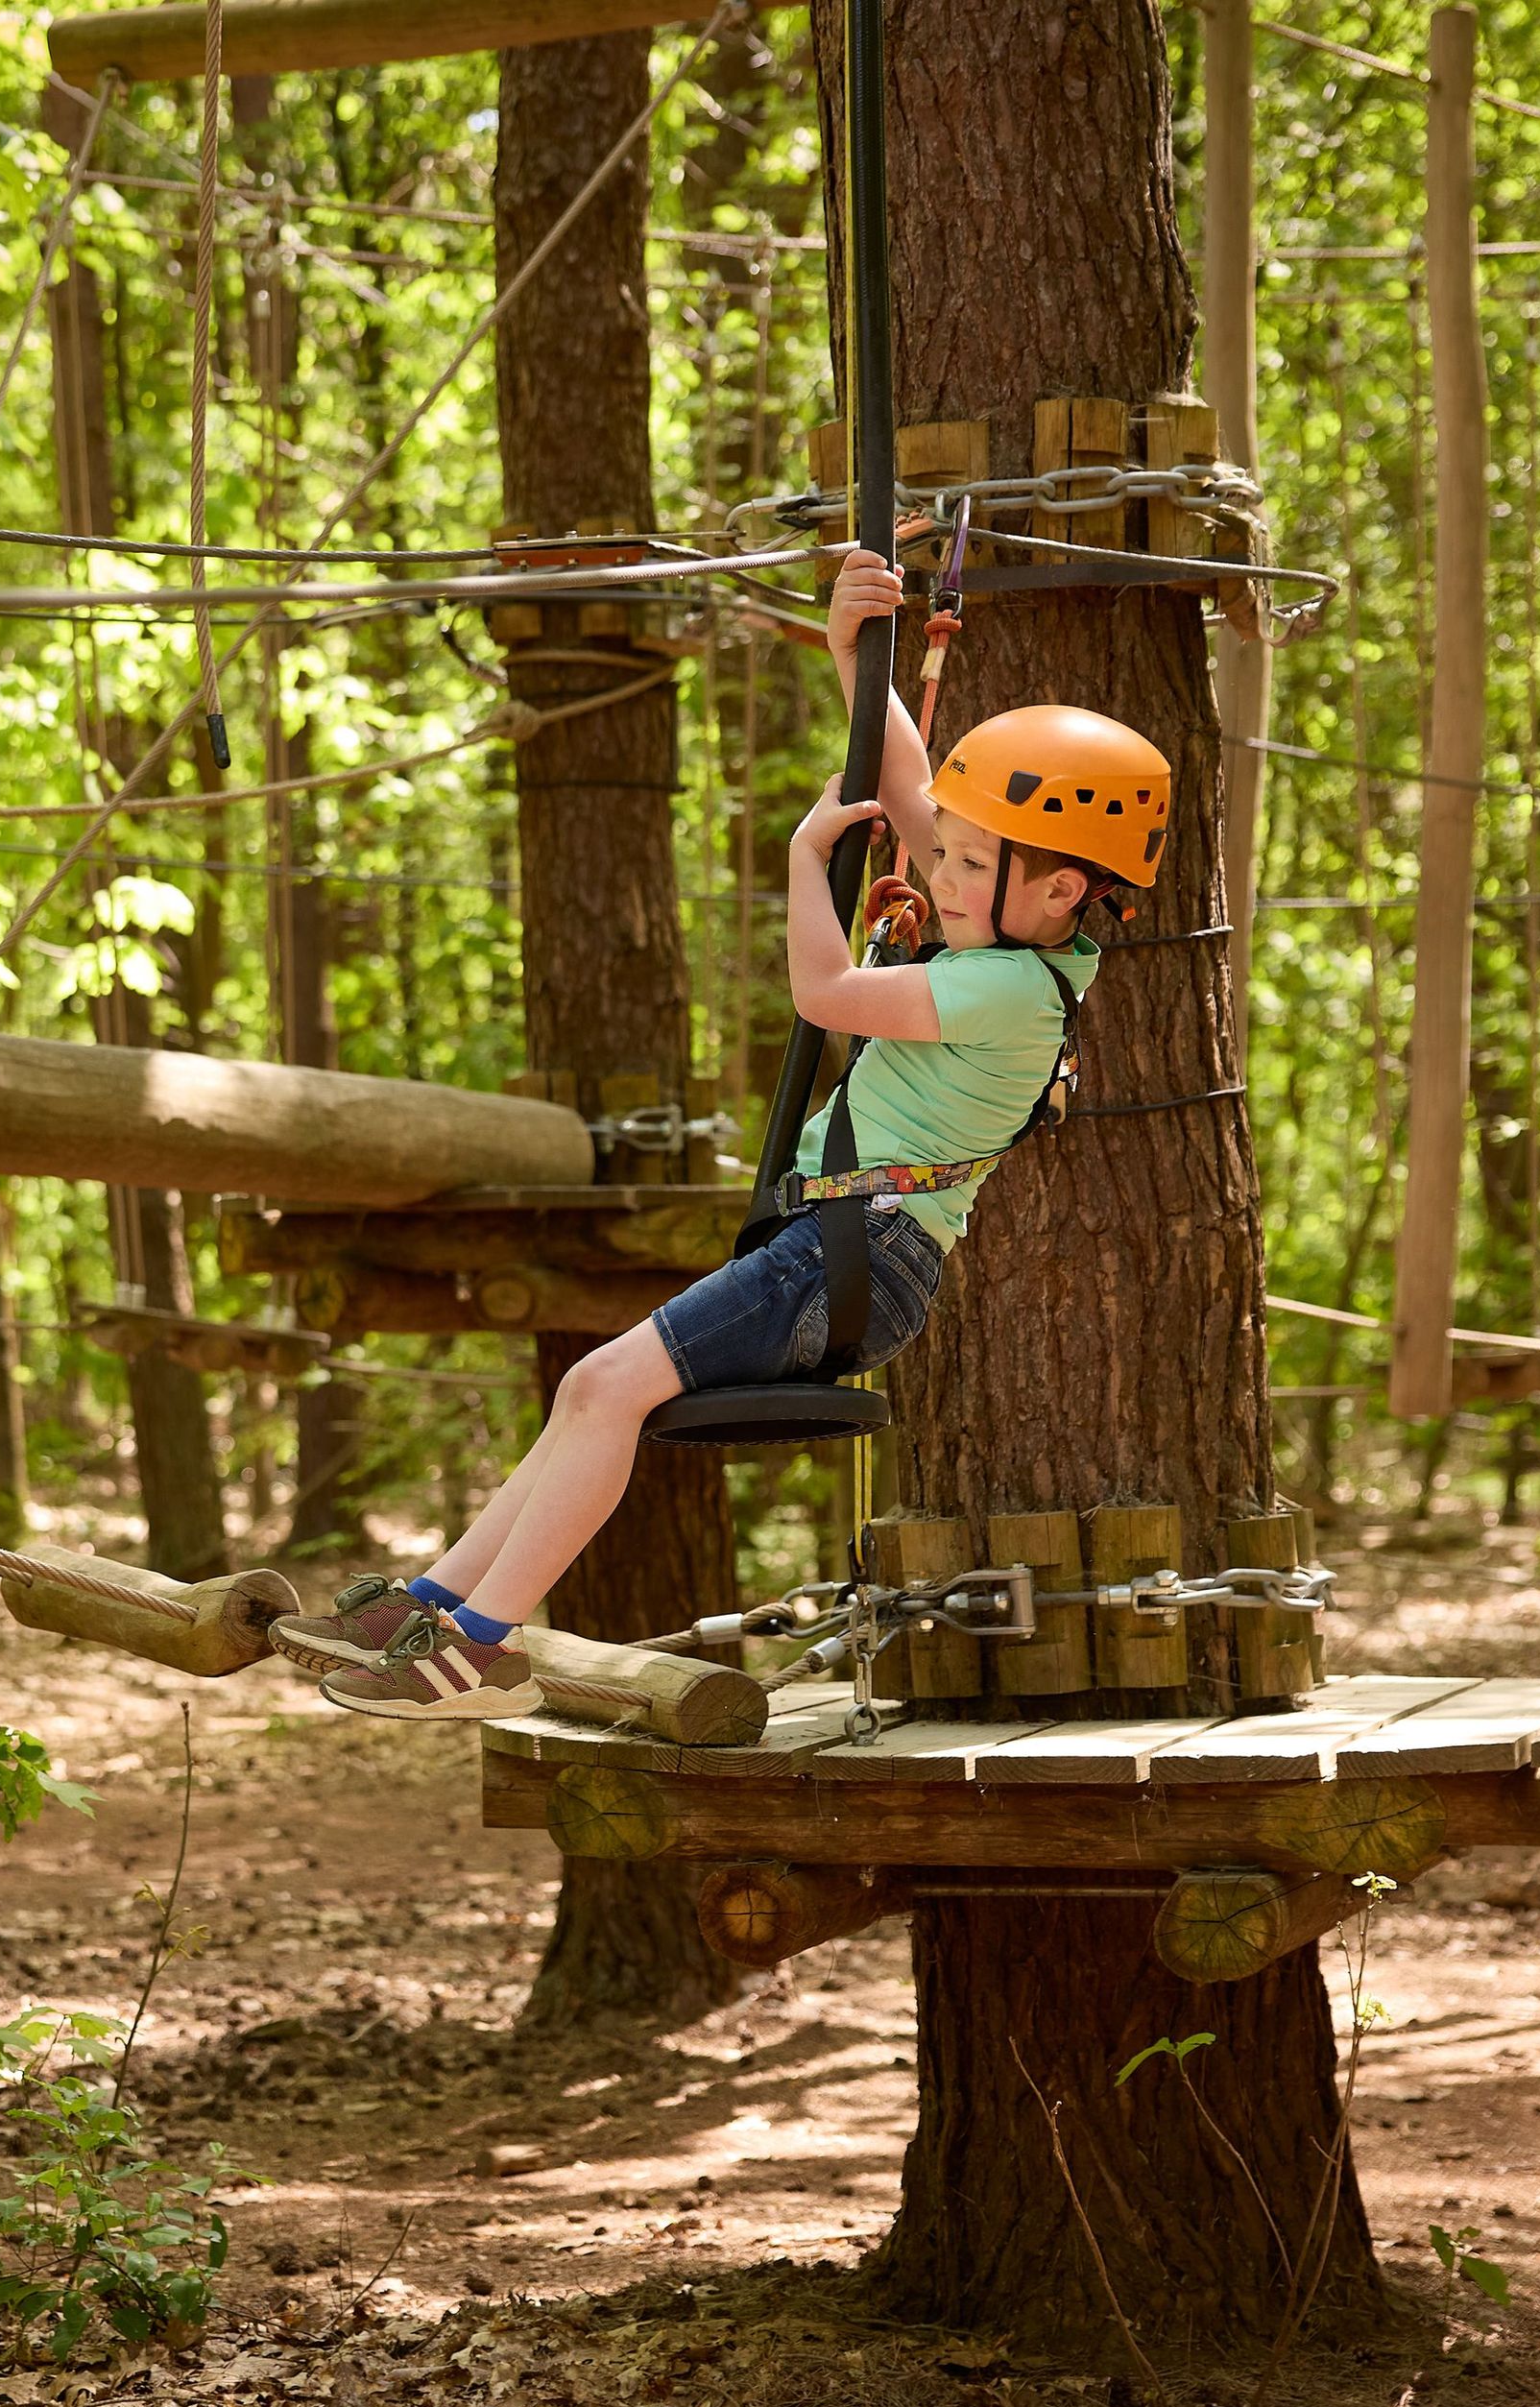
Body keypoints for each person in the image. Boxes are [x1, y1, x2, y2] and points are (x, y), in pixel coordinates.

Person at [287, 544, 1173, 1719]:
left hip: (861, 1252)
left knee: (605, 1386)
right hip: (840, 1243)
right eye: (950, 854)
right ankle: (433, 1604)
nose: (943, 869)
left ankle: (477, 1649)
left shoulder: (1007, 988)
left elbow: (824, 991)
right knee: (591, 1391)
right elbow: (910, 788)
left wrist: (805, 856)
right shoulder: (1005, 933)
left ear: (1059, 889)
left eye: (969, 861)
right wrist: (858, 650)